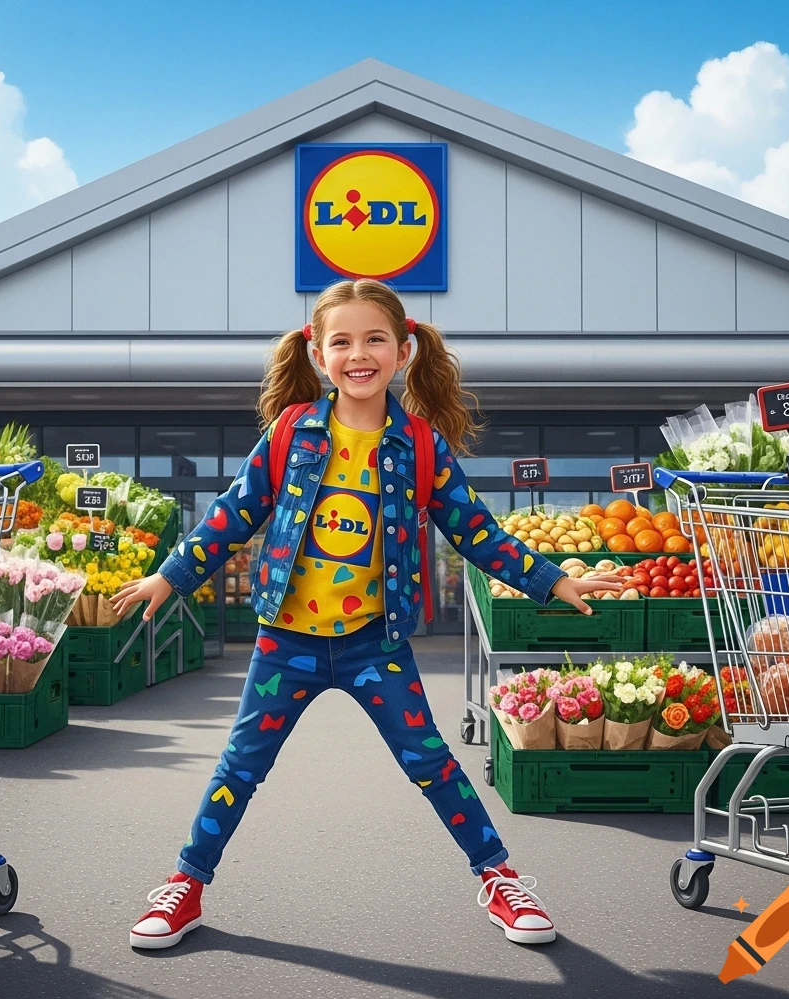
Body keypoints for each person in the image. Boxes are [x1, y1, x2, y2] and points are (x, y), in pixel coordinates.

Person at [112, 279, 622, 951]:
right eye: (342, 341)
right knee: (239, 767)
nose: (360, 353)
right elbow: (234, 513)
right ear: (318, 354)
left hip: (371, 643)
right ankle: (186, 886)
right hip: (285, 640)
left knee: (431, 761)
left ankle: (499, 877)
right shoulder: (292, 432)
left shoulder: (421, 444)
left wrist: (551, 579)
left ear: (403, 350)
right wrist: (171, 576)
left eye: (375, 339)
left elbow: (476, 532)